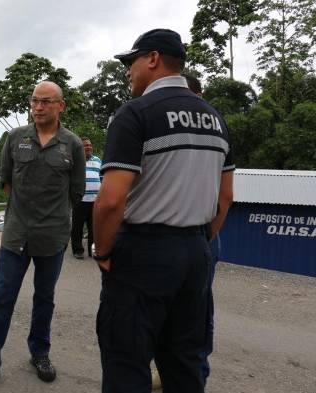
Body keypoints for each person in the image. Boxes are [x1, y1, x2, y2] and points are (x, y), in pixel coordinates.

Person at [92, 29, 234, 393]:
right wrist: (197, 241)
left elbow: (110, 201)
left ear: (153, 59)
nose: (127, 71)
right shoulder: (216, 120)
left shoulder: (135, 114)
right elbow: (225, 199)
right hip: (195, 254)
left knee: (127, 361)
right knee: (185, 362)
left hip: (143, 252)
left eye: (131, 62)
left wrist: (103, 251)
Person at [0, 81, 86, 388]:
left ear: (60, 106)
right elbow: (7, 181)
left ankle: (39, 353)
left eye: (45, 102)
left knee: (45, 298)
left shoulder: (72, 144)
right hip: (16, 235)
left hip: (52, 237)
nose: (38, 107)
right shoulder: (15, 138)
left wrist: (50, 215)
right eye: (34, 101)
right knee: (2, 299)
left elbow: (76, 191)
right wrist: (25, 212)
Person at [183, 73, 222, 385]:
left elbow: (226, 195)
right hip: (202, 235)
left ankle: (196, 373)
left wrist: (205, 236)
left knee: (196, 308)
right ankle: (183, 371)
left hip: (199, 234)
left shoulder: (211, 127)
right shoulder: (216, 127)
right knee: (191, 306)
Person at [70, 137, 101, 259]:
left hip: (95, 200)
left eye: (89, 145)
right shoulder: (75, 161)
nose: (88, 147)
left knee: (94, 228)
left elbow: (102, 177)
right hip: (80, 200)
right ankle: (78, 250)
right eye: (85, 146)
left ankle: (92, 250)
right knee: (77, 227)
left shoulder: (98, 160)